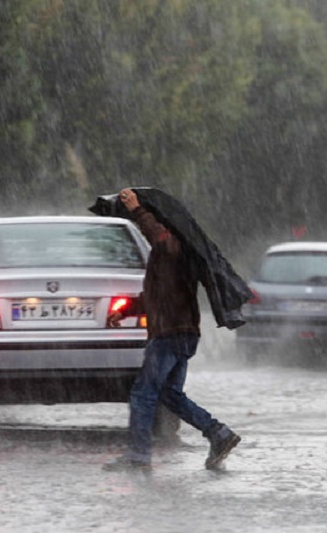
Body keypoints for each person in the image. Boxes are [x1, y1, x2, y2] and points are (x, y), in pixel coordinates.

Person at [103, 188, 241, 472]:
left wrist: (139, 211)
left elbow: (161, 240)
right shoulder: (172, 254)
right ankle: (218, 433)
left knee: (143, 394)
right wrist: (125, 310)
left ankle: (138, 456)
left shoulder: (172, 245)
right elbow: (158, 293)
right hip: (182, 332)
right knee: (169, 394)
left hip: (170, 333)